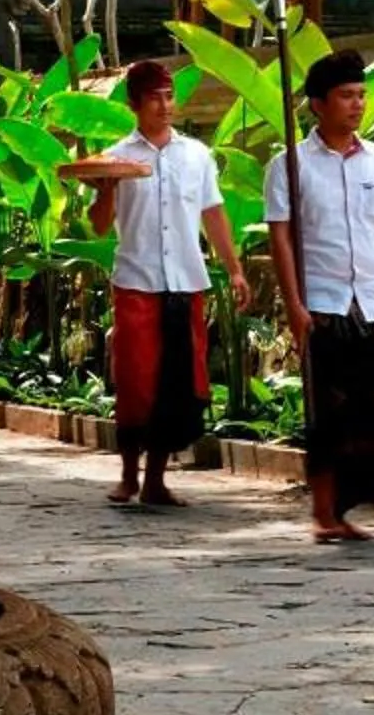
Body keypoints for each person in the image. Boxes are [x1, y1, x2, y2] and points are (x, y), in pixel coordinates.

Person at [265, 49, 374, 542]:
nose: (357, 104)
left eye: (361, 95)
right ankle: (325, 512)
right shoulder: (290, 165)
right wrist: (294, 304)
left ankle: (342, 503)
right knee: (328, 414)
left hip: (372, 301)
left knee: (371, 419)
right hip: (321, 302)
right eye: (346, 96)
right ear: (318, 104)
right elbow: (281, 238)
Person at [65, 60, 246, 507]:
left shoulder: (197, 156)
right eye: (154, 98)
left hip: (186, 281)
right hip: (137, 281)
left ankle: (156, 481)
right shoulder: (116, 158)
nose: (165, 106)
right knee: (136, 380)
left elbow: (214, 214)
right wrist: (106, 190)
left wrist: (235, 269)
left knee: (177, 381)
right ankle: (128, 475)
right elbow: (100, 228)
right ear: (134, 104)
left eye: (170, 96)